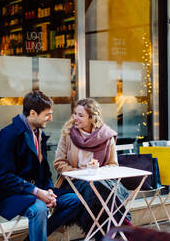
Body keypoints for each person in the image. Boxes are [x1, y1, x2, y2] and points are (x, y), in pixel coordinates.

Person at [0, 90, 82, 241]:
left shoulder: (38, 133)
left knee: (75, 200)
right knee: (39, 208)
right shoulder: (8, 135)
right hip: (12, 195)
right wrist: (38, 193)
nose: (51, 118)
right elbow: (4, 177)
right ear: (33, 113)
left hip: (37, 191)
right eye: (47, 114)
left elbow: (44, 172)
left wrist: (48, 191)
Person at [54, 98, 131, 240]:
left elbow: (113, 165)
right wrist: (79, 173)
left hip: (100, 182)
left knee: (95, 187)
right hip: (74, 183)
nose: (75, 118)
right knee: (92, 187)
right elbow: (59, 163)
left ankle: (100, 235)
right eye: (75, 114)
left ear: (91, 118)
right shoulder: (68, 133)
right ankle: (122, 221)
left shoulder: (106, 137)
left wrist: (97, 170)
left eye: (80, 115)